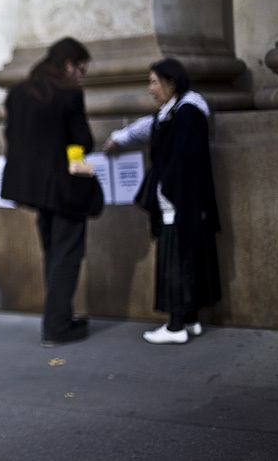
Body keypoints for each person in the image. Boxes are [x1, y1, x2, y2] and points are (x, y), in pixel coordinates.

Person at [103, 58, 220, 344]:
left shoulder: (186, 114)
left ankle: (175, 326)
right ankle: (190, 319)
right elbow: (148, 126)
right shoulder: (174, 112)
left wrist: (166, 191)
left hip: (179, 204)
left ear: (172, 83)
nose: (150, 89)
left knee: (175, 264)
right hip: (182, 203)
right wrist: (120, 137)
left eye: (154, 82)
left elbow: (182, 161)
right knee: (187, 259)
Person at [0, 37, 97, 348]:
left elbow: (12, 137)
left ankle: (61, 317)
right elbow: (82, 141)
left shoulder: (18, 93)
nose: (81, 76)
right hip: (64, 188)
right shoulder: (68, 94)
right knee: (67, 255)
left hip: (32, 189)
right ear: (69, 64)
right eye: (81, 69)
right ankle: (57, 327)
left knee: (54, 253)